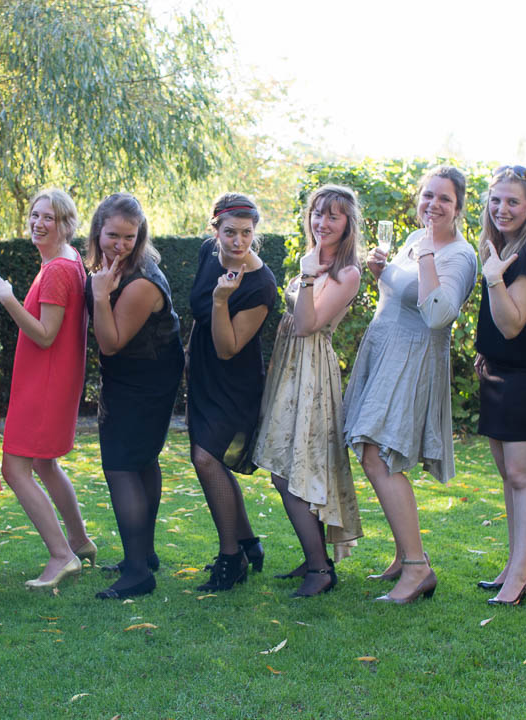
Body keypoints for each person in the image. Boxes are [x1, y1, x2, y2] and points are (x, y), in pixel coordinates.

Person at [343, 166, 477, 605]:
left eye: (444, 199)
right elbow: (398, 294)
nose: (433, 205)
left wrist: (424, 257)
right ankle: (404, 557)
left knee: (378, 455)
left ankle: (418, 567)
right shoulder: (413, 241)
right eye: (427, 196)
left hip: (413, 358)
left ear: (458, 207)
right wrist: (382, 271)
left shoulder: (459, 255)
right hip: (385, 351)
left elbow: (438, 313)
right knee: (379, 454)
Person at [253, 184, 364, 597]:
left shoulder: (346, 272)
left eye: (333, 215)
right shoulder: (313, 259)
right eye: (318, 213)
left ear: (348, 222)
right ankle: (315, 556)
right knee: (286, 467)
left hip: (312, 373)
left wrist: (308, 274)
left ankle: (321, 568)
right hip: (290, 367)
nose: (323, 222)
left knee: (292, 472)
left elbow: (307, 324)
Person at [0, 188, 95, 590]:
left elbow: (46, 335)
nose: (38, 223)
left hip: (45, 384)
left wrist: (8, 299)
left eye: (48, 217)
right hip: (54, 381)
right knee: (44, 463)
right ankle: (80, 542)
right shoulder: (67, 263)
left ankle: (60, 555)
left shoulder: (57, 270)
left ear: (66, 224)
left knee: (14, 468)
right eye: (35, 215)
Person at [85, 193, 185, 599]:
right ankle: (142, 554)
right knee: (142, 461)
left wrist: (98, 295)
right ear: (98, 231)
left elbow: (110, 343)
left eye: (129, 236)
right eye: (113, 235)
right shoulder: (116, 267)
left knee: (122, 465)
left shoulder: (140, 281)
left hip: (146, 382)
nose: (120, 244)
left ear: (140, 235)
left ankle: (138, 573)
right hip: (139, 374)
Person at [473, 166, 526, 606]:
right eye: (496, 200)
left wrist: (492, 278)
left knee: (523, 476)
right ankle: (517, 564)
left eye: (512, 201)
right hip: (499, 373)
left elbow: (511, 325)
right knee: (509, 475)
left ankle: (520, 575)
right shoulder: (499, 246)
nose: (502, 208)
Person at [187, 192, 277, 592]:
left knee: (206, 459)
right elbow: (197, 312)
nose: (238, 242)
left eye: (246, 233)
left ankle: (231, 558)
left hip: (234, 381)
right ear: (215, 230)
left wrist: (221, 299)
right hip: (203, 376)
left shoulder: (261, 284)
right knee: (211, 460)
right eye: (229, 233)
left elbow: (228, 347)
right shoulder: (209, 254)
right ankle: (248, 543)